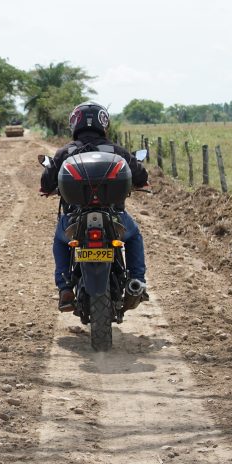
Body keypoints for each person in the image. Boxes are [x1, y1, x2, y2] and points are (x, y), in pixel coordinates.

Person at [39, 101, 149, 312]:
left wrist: (51, 187)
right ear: (104, 124)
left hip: (74, 218)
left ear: (74, 124)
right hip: (113, 216)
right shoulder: (117, 150)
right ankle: (136, 281)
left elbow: (46, 184)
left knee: (60, 241)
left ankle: (64, 289)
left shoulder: (65, 152)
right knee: (133, 236)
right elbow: (141, 176)